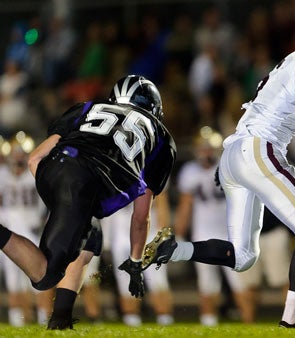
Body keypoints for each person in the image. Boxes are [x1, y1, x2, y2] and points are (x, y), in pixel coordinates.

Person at [142, 9, 295, 328]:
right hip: (259, 150)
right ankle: (292, 320)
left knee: (243, 257)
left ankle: (172, 249)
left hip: (235, 153)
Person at [0, 74, 176, 329]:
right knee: (45, 276)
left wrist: (58, 191)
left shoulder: (88, 107)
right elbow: (141, 217)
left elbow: (33, 159)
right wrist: (136, 262)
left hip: (54, 169)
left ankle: (60, 322)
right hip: (84, 183)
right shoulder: (161, 139)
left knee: (90, 237)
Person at [174, 126, 252, 326]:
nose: (207, 152)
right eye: (203, 147)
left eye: (210, 148)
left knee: (239, 281)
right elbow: (186, 206)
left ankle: (248, 322)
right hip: (203, 233)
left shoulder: (229, 167)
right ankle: (208, 321)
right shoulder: (190, 171)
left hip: (230, 233)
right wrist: (180, 234)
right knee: (207, 282)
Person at [0, 136, 54, 326]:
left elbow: (49, 201)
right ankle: (18, 321)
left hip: (33, 230)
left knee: (41, 276)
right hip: (9, 234)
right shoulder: (2, 174)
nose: (18, 158)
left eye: (21, 154)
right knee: (13, 281)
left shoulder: (34, 172)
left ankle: (44, 318)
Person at [102, 192, 175, 327]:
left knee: (158, 282)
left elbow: (161, 202)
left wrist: (163, 235)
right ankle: (131, 320)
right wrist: (106, 238)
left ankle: (164, 318)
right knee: (125, 282)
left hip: (149, 235)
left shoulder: (150, 173)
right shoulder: (116, 173)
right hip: (121, 236)